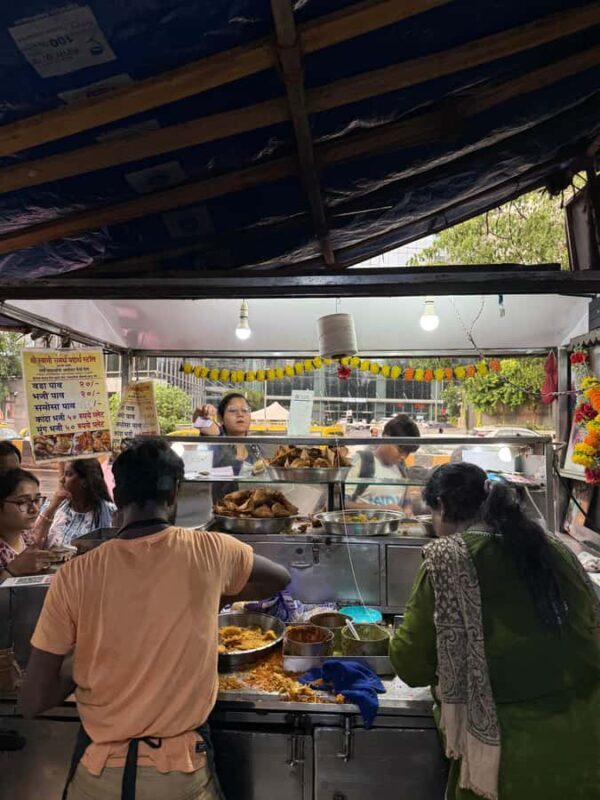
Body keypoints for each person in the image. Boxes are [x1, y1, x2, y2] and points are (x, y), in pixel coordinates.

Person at [19, 437, 290, 800]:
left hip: (99, 776)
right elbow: (279, 577)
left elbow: (33, 700)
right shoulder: (210, 550)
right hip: (180, 776)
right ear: (174, 494)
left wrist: (77, 664)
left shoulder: (76, 573)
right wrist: (218, 595)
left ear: (117, 496)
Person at [390, 462, 600, 800]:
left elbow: (411, 665)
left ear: (441, 505)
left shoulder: (449, 559)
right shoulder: (553, 547)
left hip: (510, 759)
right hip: (587, 744)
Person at [345, 414, 423, 513]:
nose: (403, 456)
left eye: (407, 452)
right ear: (386, 438)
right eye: (400, 450)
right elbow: (342, 504)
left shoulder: (401, 467)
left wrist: (407, 508)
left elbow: (406, 497)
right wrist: (382, 510)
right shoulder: (362, 461)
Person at [194, 393, 262, 503]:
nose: (240, 414)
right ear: (220, 419)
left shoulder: (255, 448)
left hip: (254, 511)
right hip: (224, 512)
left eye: (245, 410)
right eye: (232, 410)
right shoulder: (217, 438)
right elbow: (200, 422)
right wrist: (202, 412)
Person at [36, 458, 116, 547]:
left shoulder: (111, 513)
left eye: (68, 474)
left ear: (85, 481)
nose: (62, 480)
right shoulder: (54, 507)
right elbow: (34, 543)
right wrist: (51, 508)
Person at [0, 469, 53, 581]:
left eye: (37, 500)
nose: (34, 509)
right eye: (22, 502)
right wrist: (12, 571)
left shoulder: (25, 535)